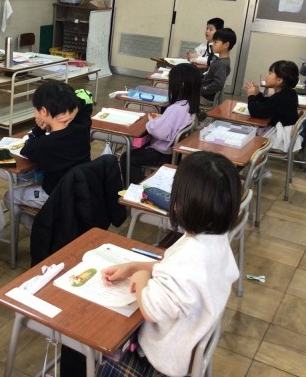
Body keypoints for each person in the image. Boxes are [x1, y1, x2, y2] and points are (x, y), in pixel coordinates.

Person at [96, 152, 240, 377]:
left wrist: (141, 279)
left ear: (182, 205)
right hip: (186, 342)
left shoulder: (192, 256)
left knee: (93, 340)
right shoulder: (213, 241)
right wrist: (134, 267)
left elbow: (151, 309)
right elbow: (171, 266)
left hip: (159, 362)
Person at [8, 82, 93, 228]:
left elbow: (26, 148)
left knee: (9, 196)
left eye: (36, 109)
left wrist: (39, 129)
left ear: (44, 111)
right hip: (80, 190)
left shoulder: (44, 145)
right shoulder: (83, 123)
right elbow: (86, 99)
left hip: (54, 194)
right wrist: (75, 109)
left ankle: (39, 232)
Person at [120, 63, 202, 184]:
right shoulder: (188, 105)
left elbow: (160, 132)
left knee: (126, 158)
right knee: (134, 149)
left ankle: (140, 188)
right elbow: (172, 123)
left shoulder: (176, 108)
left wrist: (151, 122)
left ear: (182, 85)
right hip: (172, 153)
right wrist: (162, 118)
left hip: (161, 153)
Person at [243, 60, 299, 127]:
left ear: (279, 80)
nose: (267, 76)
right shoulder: (289, 93)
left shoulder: (281, 98)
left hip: (279, 132)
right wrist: (257, 94)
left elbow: (255, 112)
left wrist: (251, 96)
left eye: (270, 73)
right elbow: (268, 103)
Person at [200, 27, 236, 106]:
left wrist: (201, 90)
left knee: (181, 92)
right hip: (204, 93)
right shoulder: (219, 60)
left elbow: (218, 84)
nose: (213, 44)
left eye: (215, 42)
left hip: (205, 97)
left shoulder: (221, 64)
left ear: (226, 45)